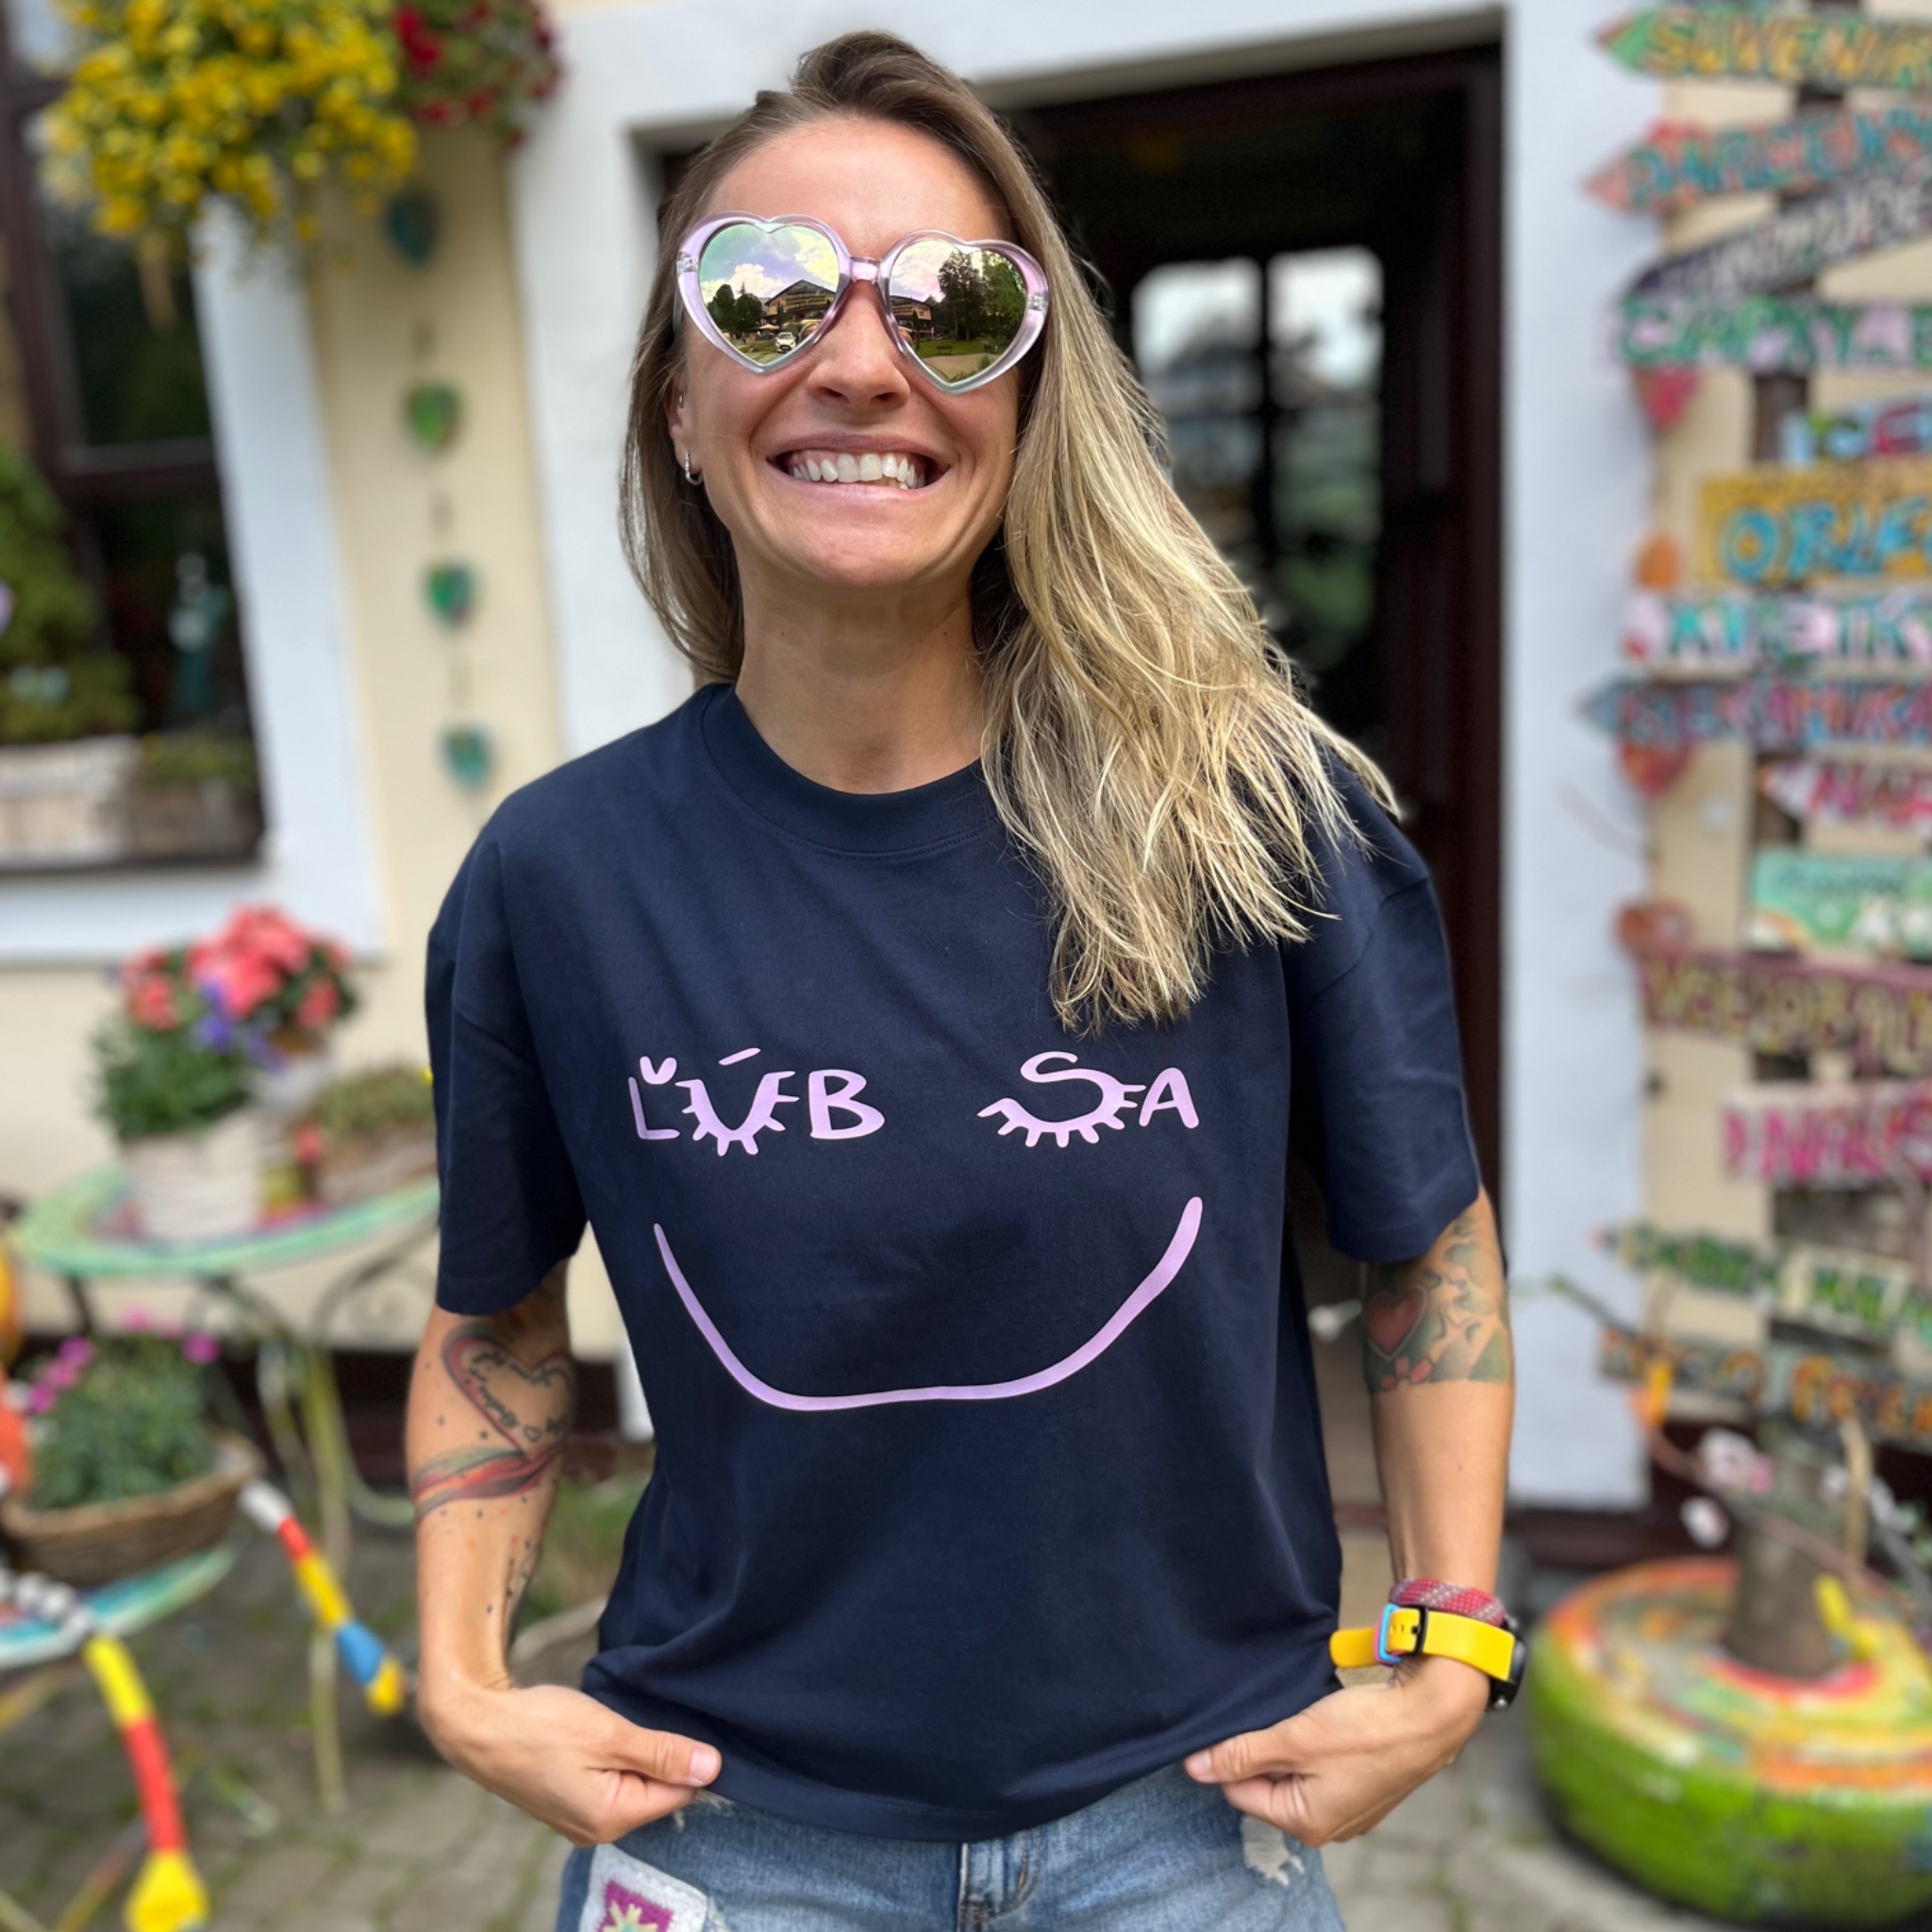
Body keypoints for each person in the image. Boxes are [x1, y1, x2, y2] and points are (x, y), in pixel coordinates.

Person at [408, 32, 1513, 1932]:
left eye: (952, 304)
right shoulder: (556, 879)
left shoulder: (1254, 820)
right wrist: (461, 1680)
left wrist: (1451, 1642)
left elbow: (1429, 1246)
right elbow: (497, 1316)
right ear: (681, 406)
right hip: (726, 1823)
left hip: (1190, 1819)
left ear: (1027, 399)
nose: (860, 362)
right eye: (766, 296)